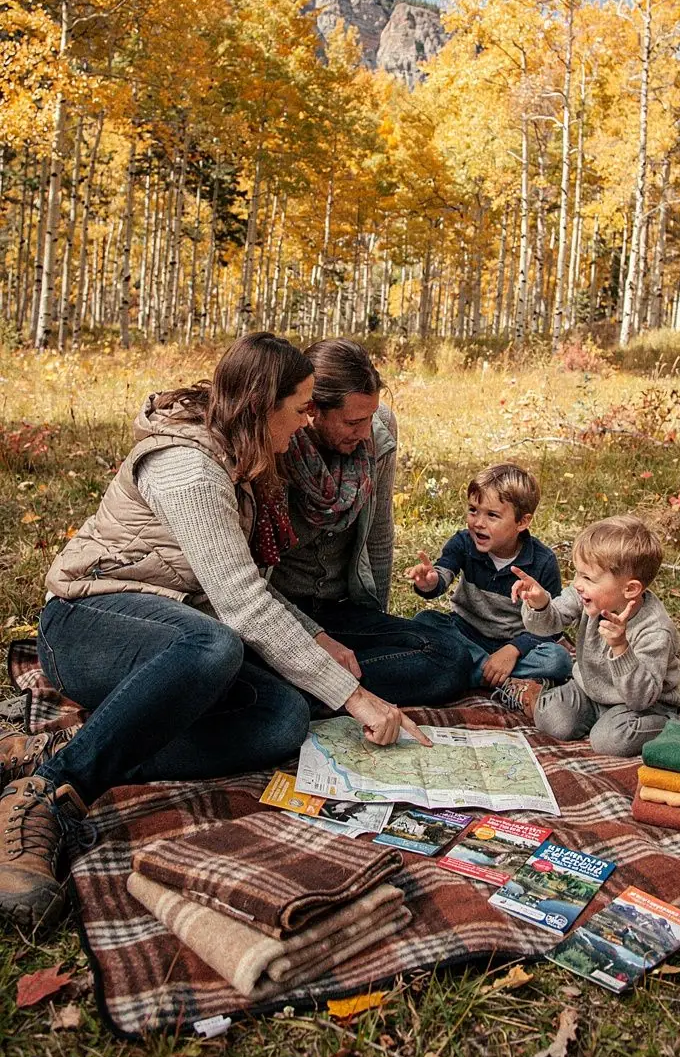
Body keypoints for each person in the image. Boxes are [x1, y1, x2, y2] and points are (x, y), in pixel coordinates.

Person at [0, 333, 430, 930]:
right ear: (262, 405)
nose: (308, 421)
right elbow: (240, 603)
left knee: (282, 718)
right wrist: (353, 696)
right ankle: (49, 792)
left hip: (177, 629)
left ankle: (64, 747)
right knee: (213, 646)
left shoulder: (246, 460)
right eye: (302, 406)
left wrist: (313, 637)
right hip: (88, 620)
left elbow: (247, 581)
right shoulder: (190, 467)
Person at [267, 338, 473, 707]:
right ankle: (306, 687)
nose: (365, 432)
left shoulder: (378, 430)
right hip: (279, 613)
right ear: (312, 410)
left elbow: (378, 531)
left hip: (338, 608)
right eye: (353, 421)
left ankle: (302, 689)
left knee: (449, 659)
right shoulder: (277, 441)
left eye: (371, 417)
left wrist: (374, 617)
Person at [495, 515, 680, 757]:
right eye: (577, 574)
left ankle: (676, 723)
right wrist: (540, 604)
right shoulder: (586, 595)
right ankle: (585, 713)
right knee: (552, 720)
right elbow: (547, 625)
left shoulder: (655, 630)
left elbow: (641, 699)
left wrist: (620, 648)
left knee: (610, 742)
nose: (577, 584)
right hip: (590, 690)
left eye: (588, 578)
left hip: (643, 707)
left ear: (630, 589)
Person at [405, 463, 571, 690]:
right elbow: (442, 573)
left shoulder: (543, 561)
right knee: (424, 621)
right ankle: (499, 678)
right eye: (473, 510)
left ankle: (467, 671)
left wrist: (513, 650)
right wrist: (430, 582)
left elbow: (552, 625)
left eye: (492, 515)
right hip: (465, 631)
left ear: (522, 522)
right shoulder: (464, 542)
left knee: (558, 660)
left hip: (516, 643)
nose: (478, 522)